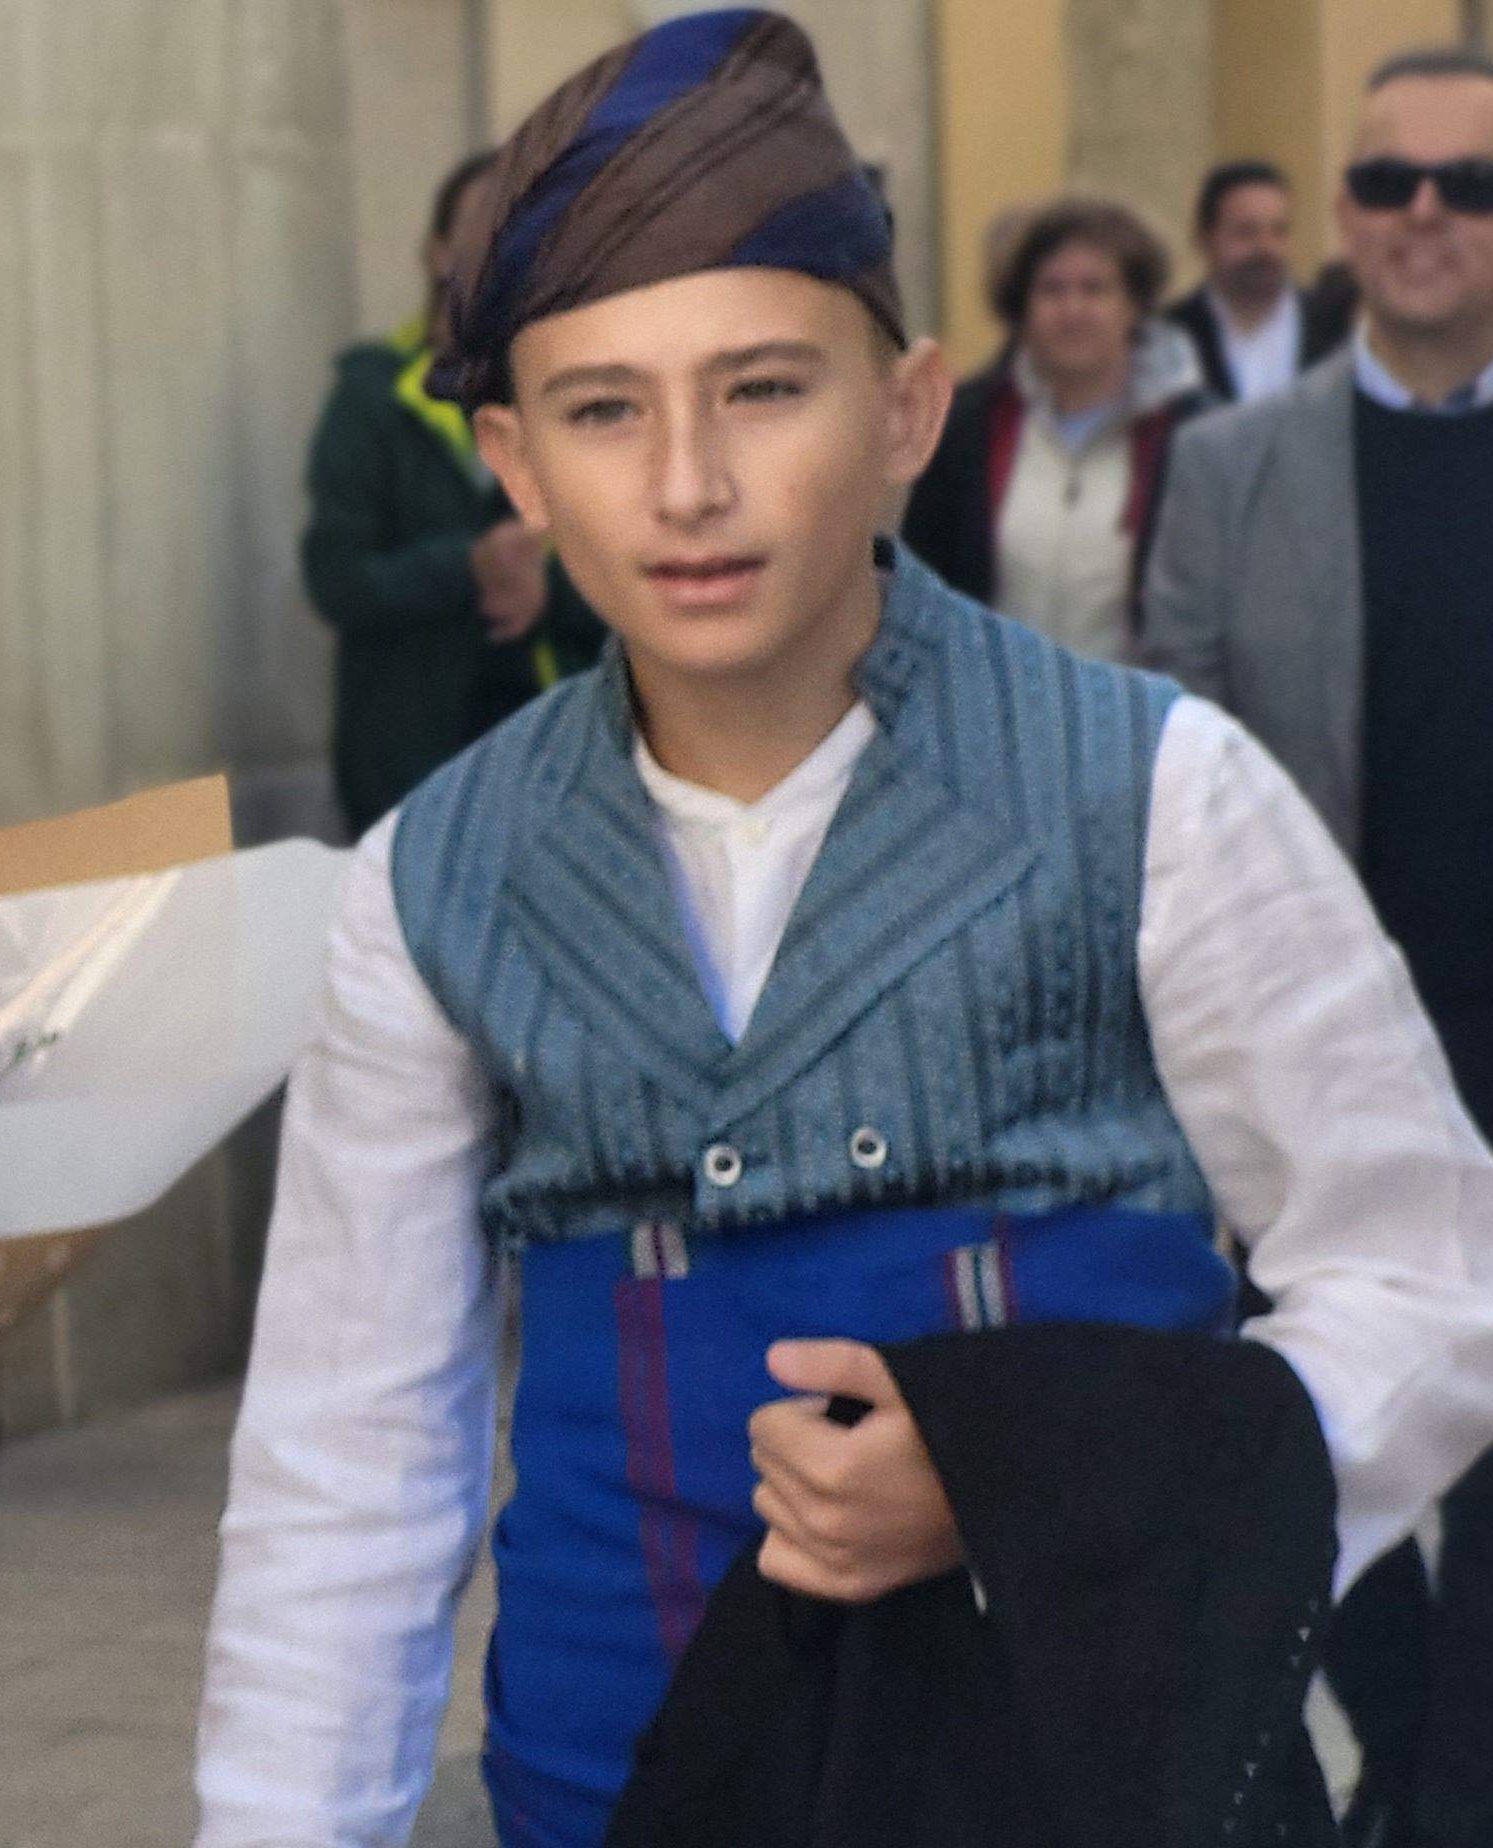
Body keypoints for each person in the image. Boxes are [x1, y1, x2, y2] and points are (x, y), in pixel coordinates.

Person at [189, 15, 1493, 1846]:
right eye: (603, 408)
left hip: (1095, 1793)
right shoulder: (431, 880)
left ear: (905, 409)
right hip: (617, 1791)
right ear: (514, 460)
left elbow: (1432, 1275)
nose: (689, 482)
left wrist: (1036, 1484)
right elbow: (349, 1455)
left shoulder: (1158, 793)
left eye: (765, 388)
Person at [1140, 47, 1493, 1843]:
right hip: (1312, 1068)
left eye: (1469, 186)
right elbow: (1175, 754)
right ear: (1347, 215)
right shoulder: (1228, 468)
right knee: (1316, 1450)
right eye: (1389, 184)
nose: (1425, 215)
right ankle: (1423, 1748)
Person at [304, 148, 609, 833]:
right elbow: (335, 580)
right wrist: (467, 566)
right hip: (413, 778)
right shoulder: (374, 397)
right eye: (480, 228)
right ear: (439, 251)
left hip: (562, 777)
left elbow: (641, 589)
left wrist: (548, 593)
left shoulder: (584, 397)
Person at [901, 198, 1201, 659]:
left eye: (1094, 289)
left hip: (1138, 717)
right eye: (1052, 290)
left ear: (1134, 306)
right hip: (993, 711)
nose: (1072, 309)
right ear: (1021, 309)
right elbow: (922, 582)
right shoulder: (967, 427)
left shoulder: (1190, 435)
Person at [1164, 159, 1360, 405]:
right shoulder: (1170, 337)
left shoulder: (1339, 329)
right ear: (1204, 239)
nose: (1266, 248)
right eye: (1246, 232)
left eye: (1279, 231)